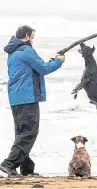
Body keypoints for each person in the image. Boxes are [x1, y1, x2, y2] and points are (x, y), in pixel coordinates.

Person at [0, 25, 65, 176]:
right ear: (27, 36)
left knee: (22, 133)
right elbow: (43, 68)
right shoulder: (26, 50)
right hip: (27, 97)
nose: (33, 40)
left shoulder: (13, 52)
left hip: (15, 98)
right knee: (29, 133)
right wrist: (59, 61)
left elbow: (35, 66)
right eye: (33, 37)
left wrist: (53, 60)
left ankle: (26, 169)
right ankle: (9, 164)